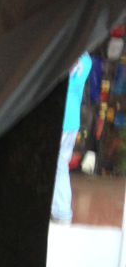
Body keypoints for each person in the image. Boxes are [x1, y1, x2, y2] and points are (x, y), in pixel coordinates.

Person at [51, 51, 92, 224]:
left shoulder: (65, 53)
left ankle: (60, 211)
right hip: (72, 120)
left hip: (59, 118)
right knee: (61, 166)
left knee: (54, 165)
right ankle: (62, 212)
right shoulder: (87, 60)